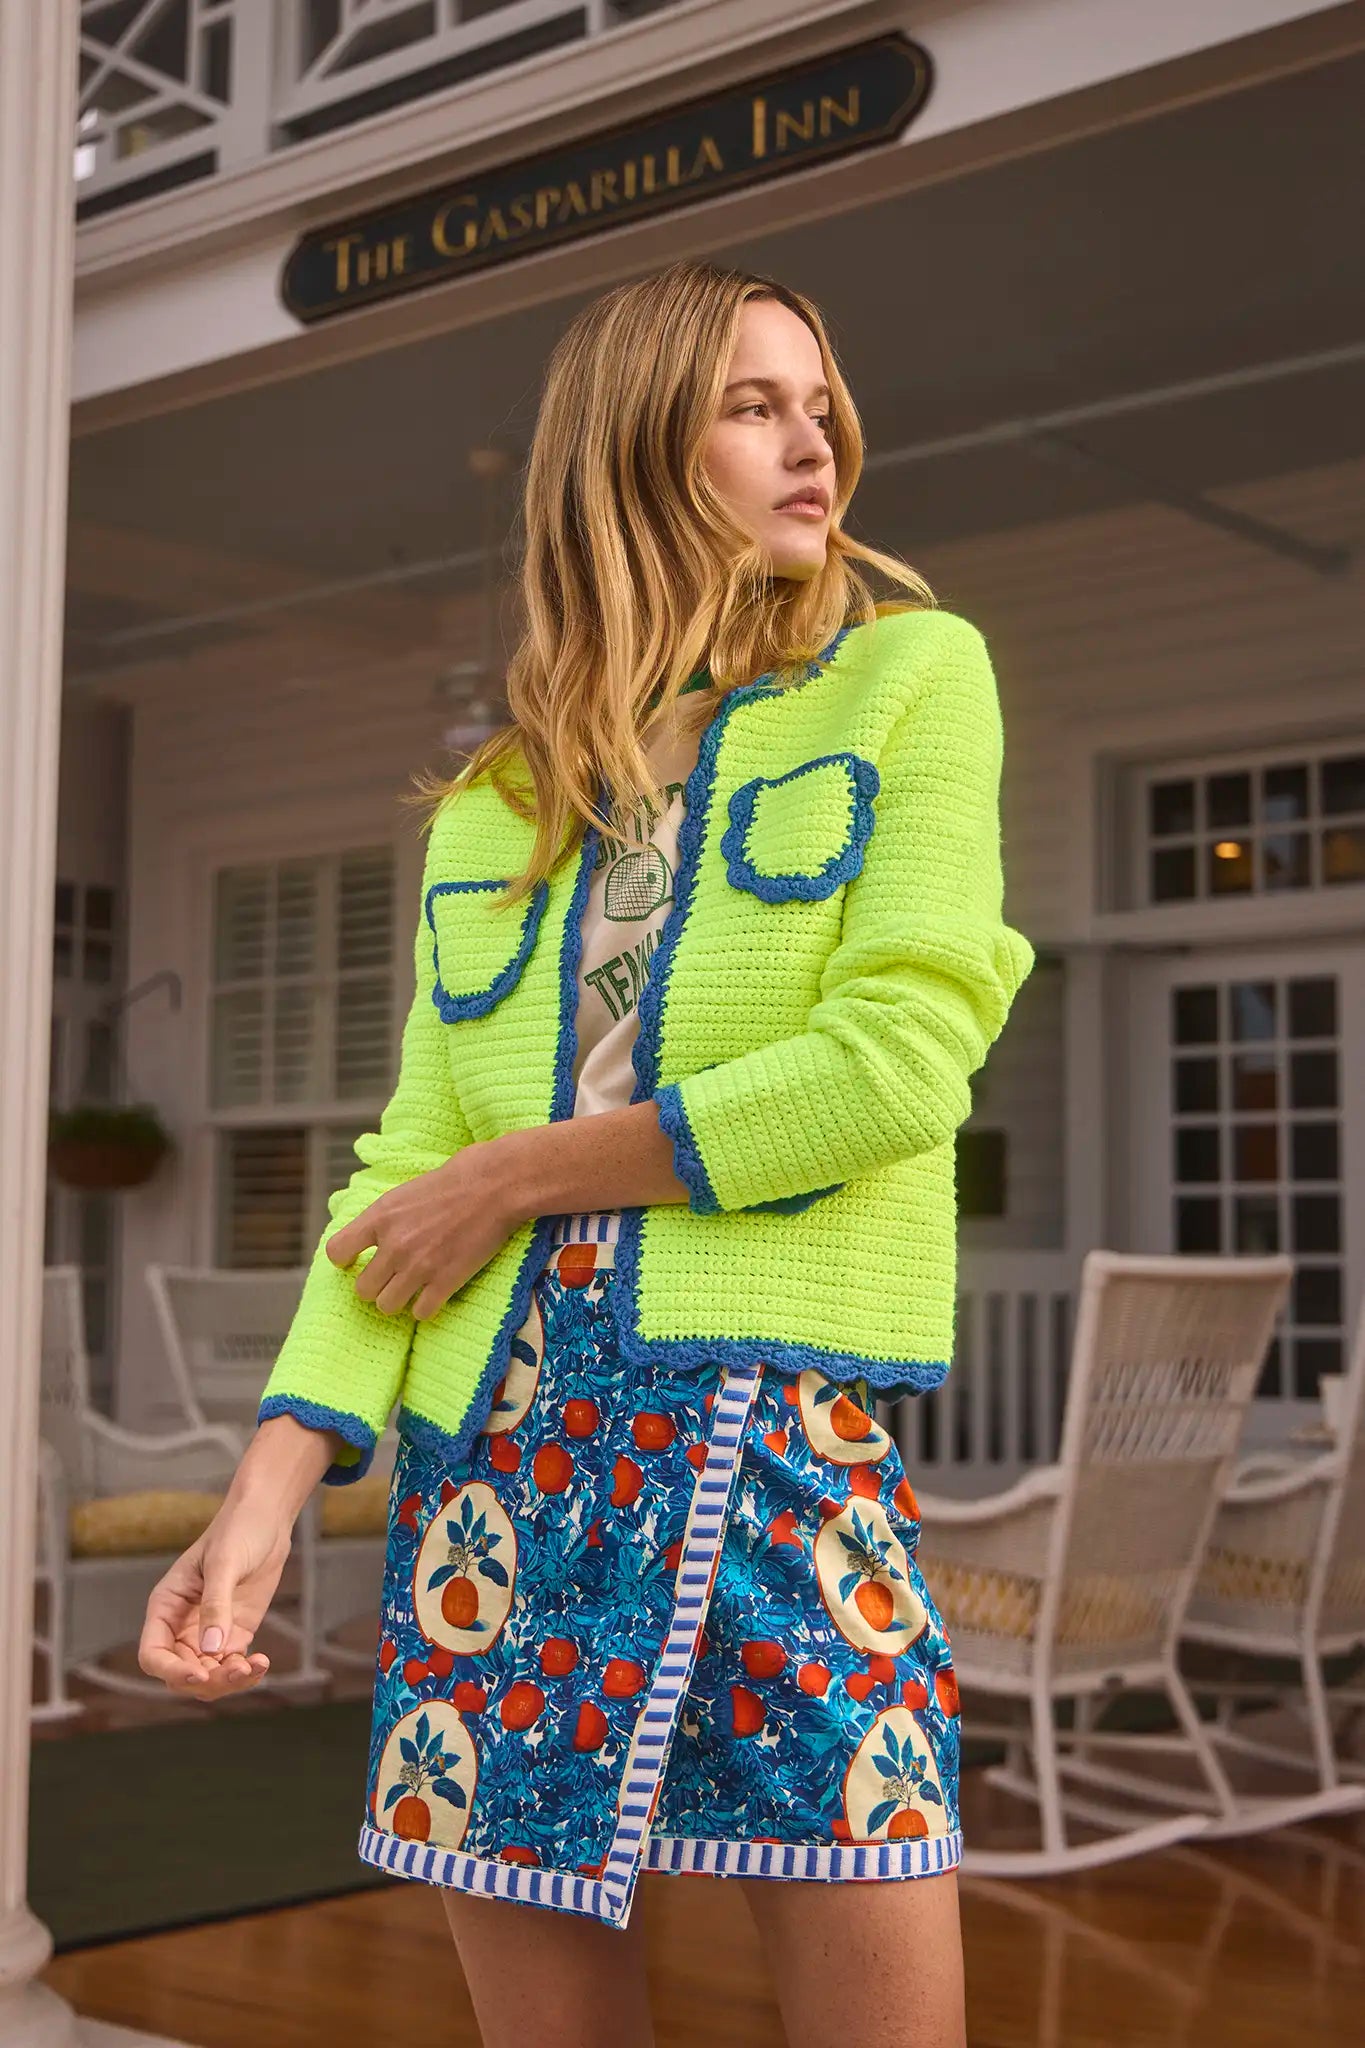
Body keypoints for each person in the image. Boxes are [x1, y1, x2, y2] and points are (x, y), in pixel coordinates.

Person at [139, 259, 1034, 2048]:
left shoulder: (911, 677)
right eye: (752, 406)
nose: (816, 443)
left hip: (768, 1417)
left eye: (821, 402)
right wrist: (272, 1470)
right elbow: (412, 1149)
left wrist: (521, 1174)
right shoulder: (495, 804)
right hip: (500, 1449)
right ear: (633, 450)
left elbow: (898, 1061)